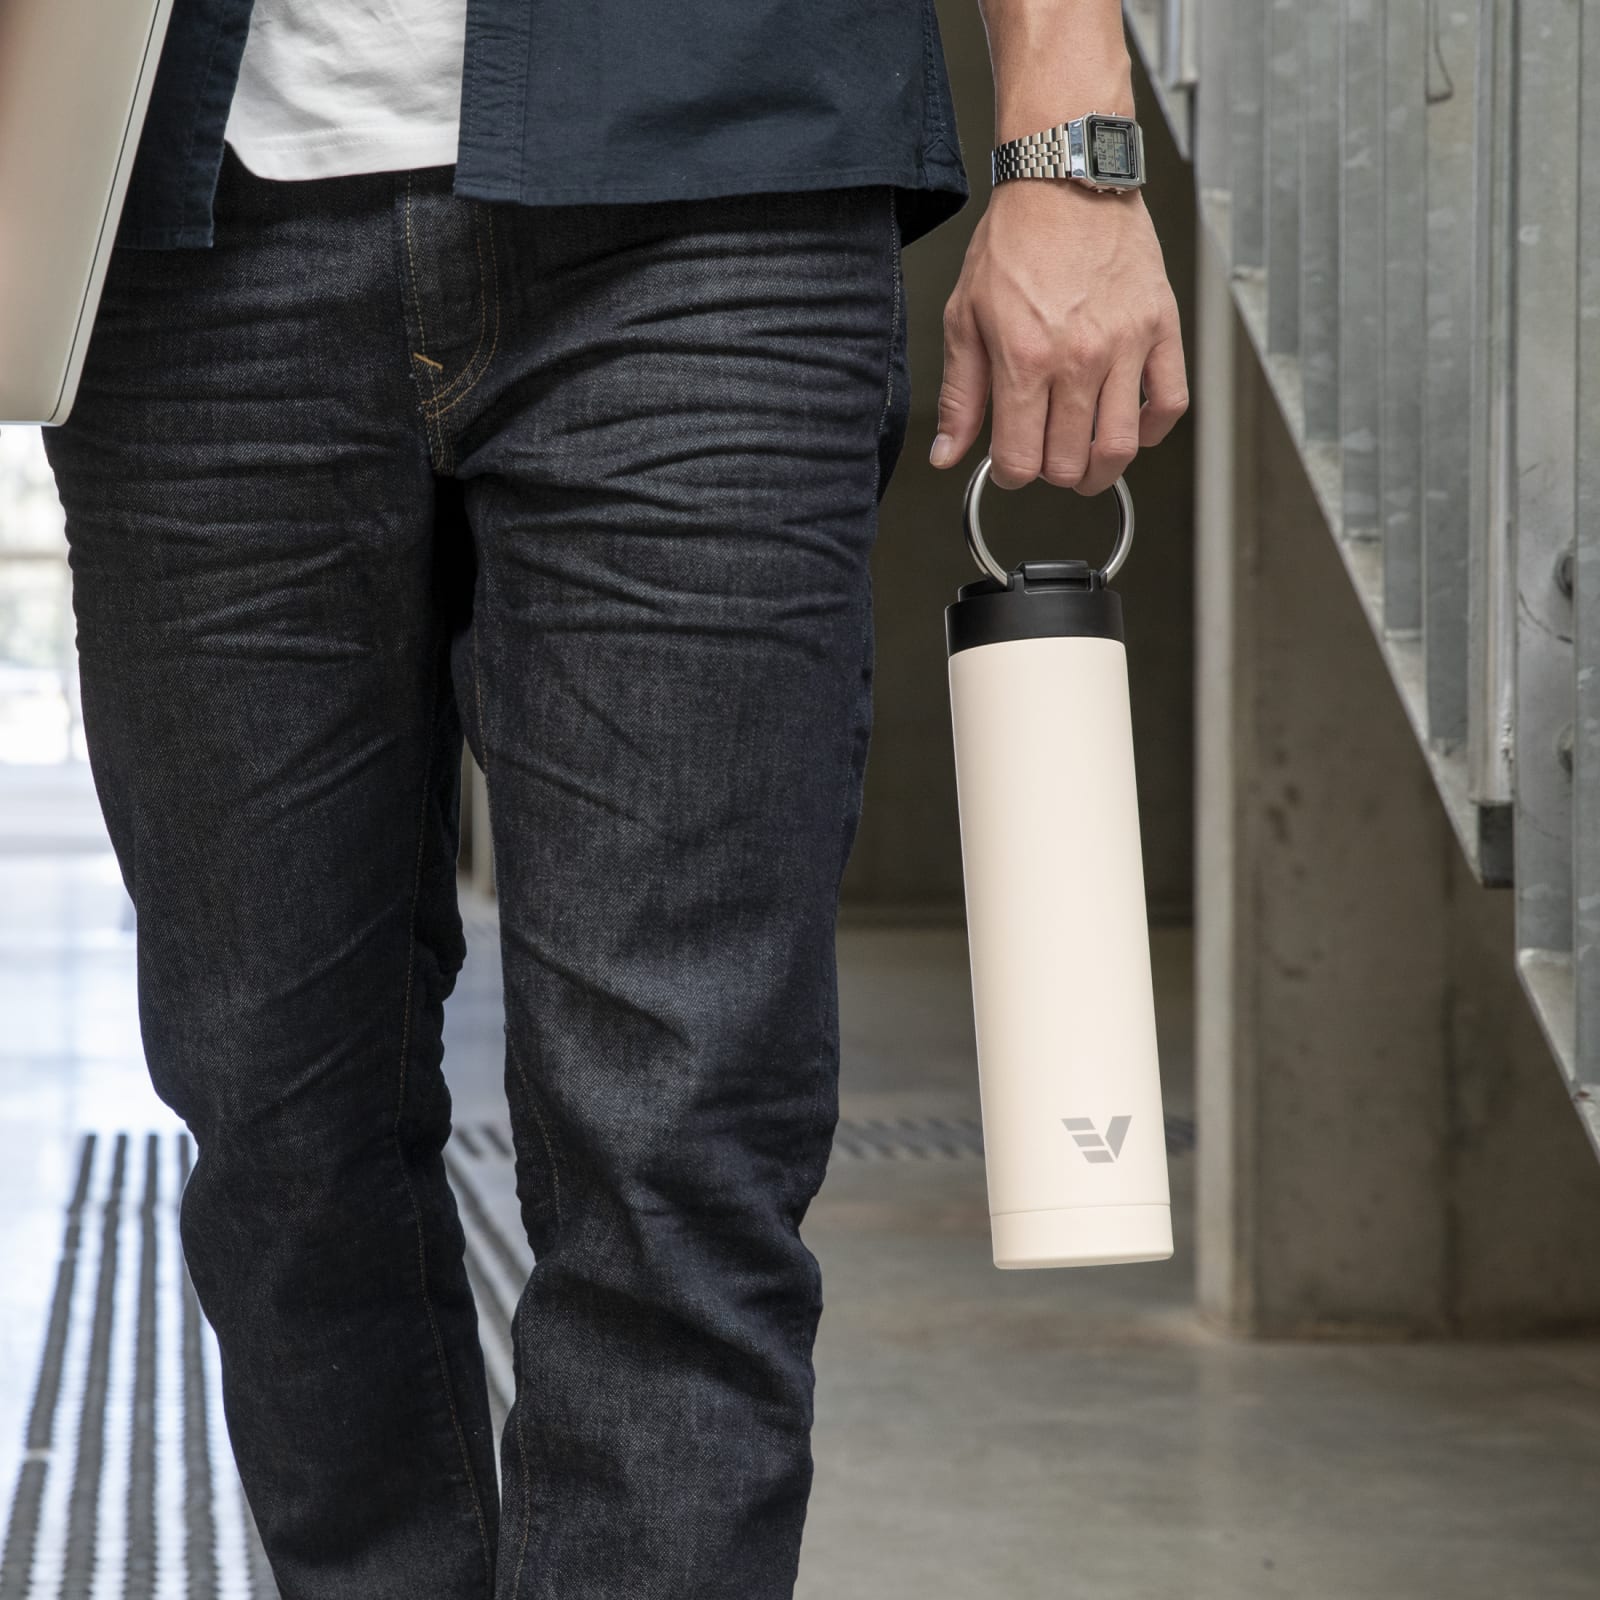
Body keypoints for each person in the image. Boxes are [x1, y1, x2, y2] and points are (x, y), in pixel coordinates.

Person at [41, 0, 1187, 1594]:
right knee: (277, 1139)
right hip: (188, 211)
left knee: (678, 1134)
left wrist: (1072, 146)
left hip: (714, 180)